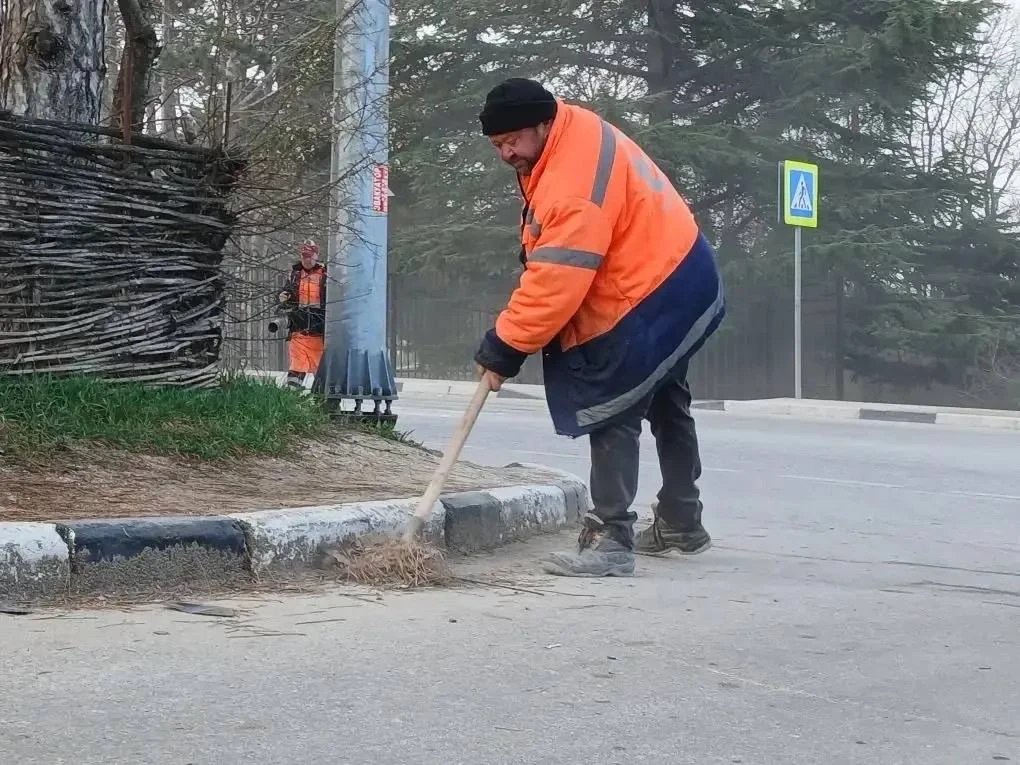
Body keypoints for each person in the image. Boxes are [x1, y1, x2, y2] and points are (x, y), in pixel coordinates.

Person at [473, 78, 725, 577]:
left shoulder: (572, 184)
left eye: (513, 142)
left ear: (543, 125)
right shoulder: (573, 127)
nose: (506, 154)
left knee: (615, 404)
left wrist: (504, 345)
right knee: (668, 396)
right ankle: (682, 520)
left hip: (653, 287)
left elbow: (557, 279)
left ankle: (610, 538)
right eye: (498, 145)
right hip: (685, 274)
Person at [278, 239, 326, 390]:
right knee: (297, 365)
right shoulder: (294, 274)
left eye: (310, 256)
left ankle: (322, 399)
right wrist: (283, 297)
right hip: (299, 326)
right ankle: (292, 397)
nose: (307, 259)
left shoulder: (325, 274)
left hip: (319, 328)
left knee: (322, 369)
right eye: (304, 256)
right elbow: (285, 293)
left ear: (316, 255)